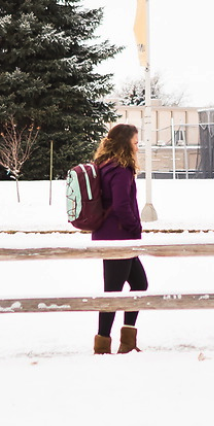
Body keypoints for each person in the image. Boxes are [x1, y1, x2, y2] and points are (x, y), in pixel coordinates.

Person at [91, 123, 148, 354]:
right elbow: (122, 205)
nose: (137, 147)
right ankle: (103, 345)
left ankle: (126, 342)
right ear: (125, 144)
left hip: (110, 235)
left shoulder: (104, 165)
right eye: (135, 143)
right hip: (119, 237)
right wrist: (135, 228)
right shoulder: (121, 170)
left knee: (139, 284)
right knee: (113, 292)